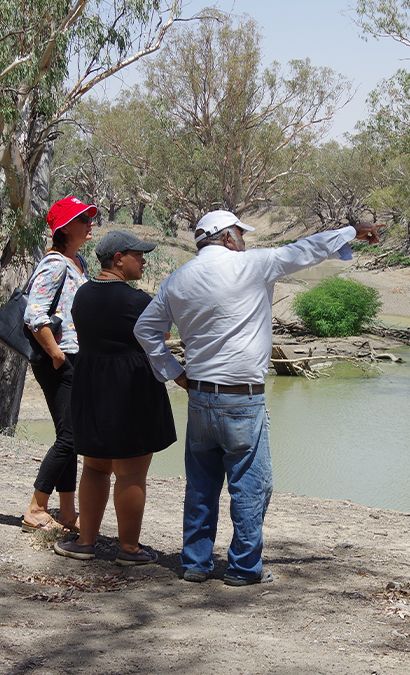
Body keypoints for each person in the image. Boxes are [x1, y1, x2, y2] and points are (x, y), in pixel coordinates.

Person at [135, 210, 380, 585]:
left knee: (201, 484)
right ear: (228, 238)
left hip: (200, 397)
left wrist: (176, 374)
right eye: (240, 234)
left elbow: (145, 330)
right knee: (250, 486)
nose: (244, 240)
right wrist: (352, 232)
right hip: (242, 399)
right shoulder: (252, 265)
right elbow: (307, 250)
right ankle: (243, 568)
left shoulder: (176, 280)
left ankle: (196, 563)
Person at [54, 230, 176, 565]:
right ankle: (129, 549)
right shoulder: (137, 301)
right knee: (131, 473)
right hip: (132, 387)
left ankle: (85, 541)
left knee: (94, 467)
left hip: (90, 385)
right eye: (138, 255)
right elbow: (162, 333)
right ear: (118, 259)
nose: (143, 260)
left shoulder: (83, 296)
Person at [21, 197, 94, 533]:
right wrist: (56, 355)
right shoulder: (55, 263)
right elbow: (34, 313)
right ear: (64, 228)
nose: (89, 222)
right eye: (83, 219)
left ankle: (67, 512)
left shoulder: (77, 261)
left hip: (74, 357)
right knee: (71, 436)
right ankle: (36, 508)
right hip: (60, 359)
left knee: (70, 436)